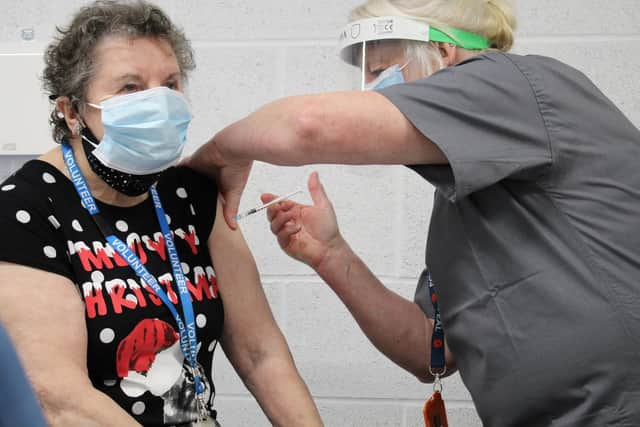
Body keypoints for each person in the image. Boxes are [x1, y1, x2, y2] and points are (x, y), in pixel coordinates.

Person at [185, 0, 640, 426]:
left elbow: (308, 125)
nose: (370, 92)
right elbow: (428, 350)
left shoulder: (513, 83)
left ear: (443, 52)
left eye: (382, 71)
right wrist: (330, 254)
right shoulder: (462, 201)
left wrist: (216, 156)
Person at [0, 1, 323, 426]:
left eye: (170, 84)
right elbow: (58, 399)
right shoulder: (25, 211)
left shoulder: (189, 193)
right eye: (130, 88)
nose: (158, 103)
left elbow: (260, 353)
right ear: (72, 111)